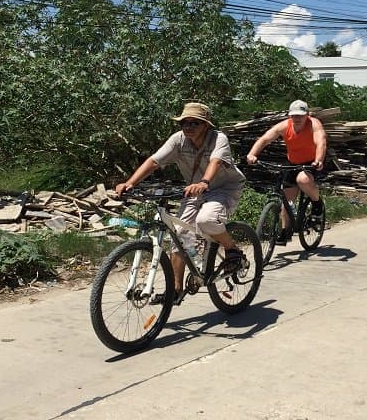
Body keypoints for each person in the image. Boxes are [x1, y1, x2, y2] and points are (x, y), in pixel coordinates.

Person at [115, 102, 246, 304]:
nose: (188, 127)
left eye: (194, 123)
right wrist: (130, 183)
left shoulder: (218, 138)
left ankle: (232, 250)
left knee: (206, 220)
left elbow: (216, 162)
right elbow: (154, 161)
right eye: (184, 123)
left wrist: (204, 182)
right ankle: (175, 290)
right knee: (179, 234)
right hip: (194, 189)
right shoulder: (178, 140)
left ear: (206, 125)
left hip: (224, 187)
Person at [246, 99, 327, 240]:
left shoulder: (314, 124)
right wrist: (252, 154)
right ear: (290, 116)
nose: (297, 118)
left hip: (311, 162)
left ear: (307, 115)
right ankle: (285, 231)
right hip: (292, 163)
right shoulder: (284, 126)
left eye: (300, 115)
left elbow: (321, 142)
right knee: (286, 200)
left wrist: (318, 160)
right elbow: (265, 139)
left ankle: (317, 203)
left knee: (303, 180)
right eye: (294, 115)